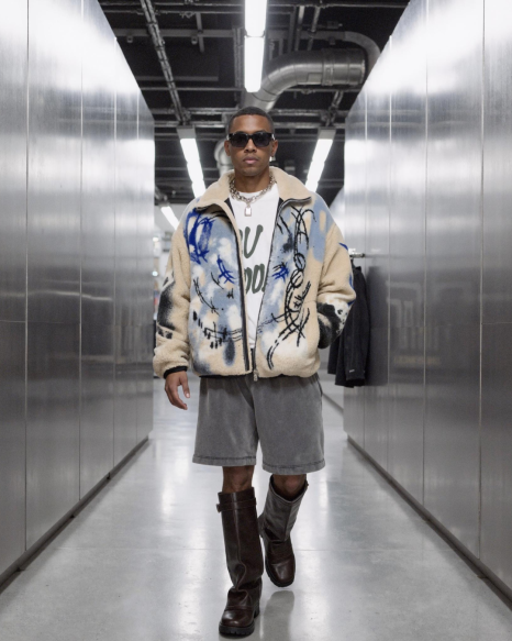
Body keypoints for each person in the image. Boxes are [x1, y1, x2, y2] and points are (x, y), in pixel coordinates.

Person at [154, 106, 355, 637]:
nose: (250, 147)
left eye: (260, 138)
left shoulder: (308, 209)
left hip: (289, 363)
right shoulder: (200, 215)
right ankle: (244, 589)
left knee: (291, 474)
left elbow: (338, 280)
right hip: (224, 366)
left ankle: (277, 529)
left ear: (273, 146)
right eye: (241, 138)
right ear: (228, 145)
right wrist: (172, 358)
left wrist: (316, 331)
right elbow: (177, 290)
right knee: (235, 477)